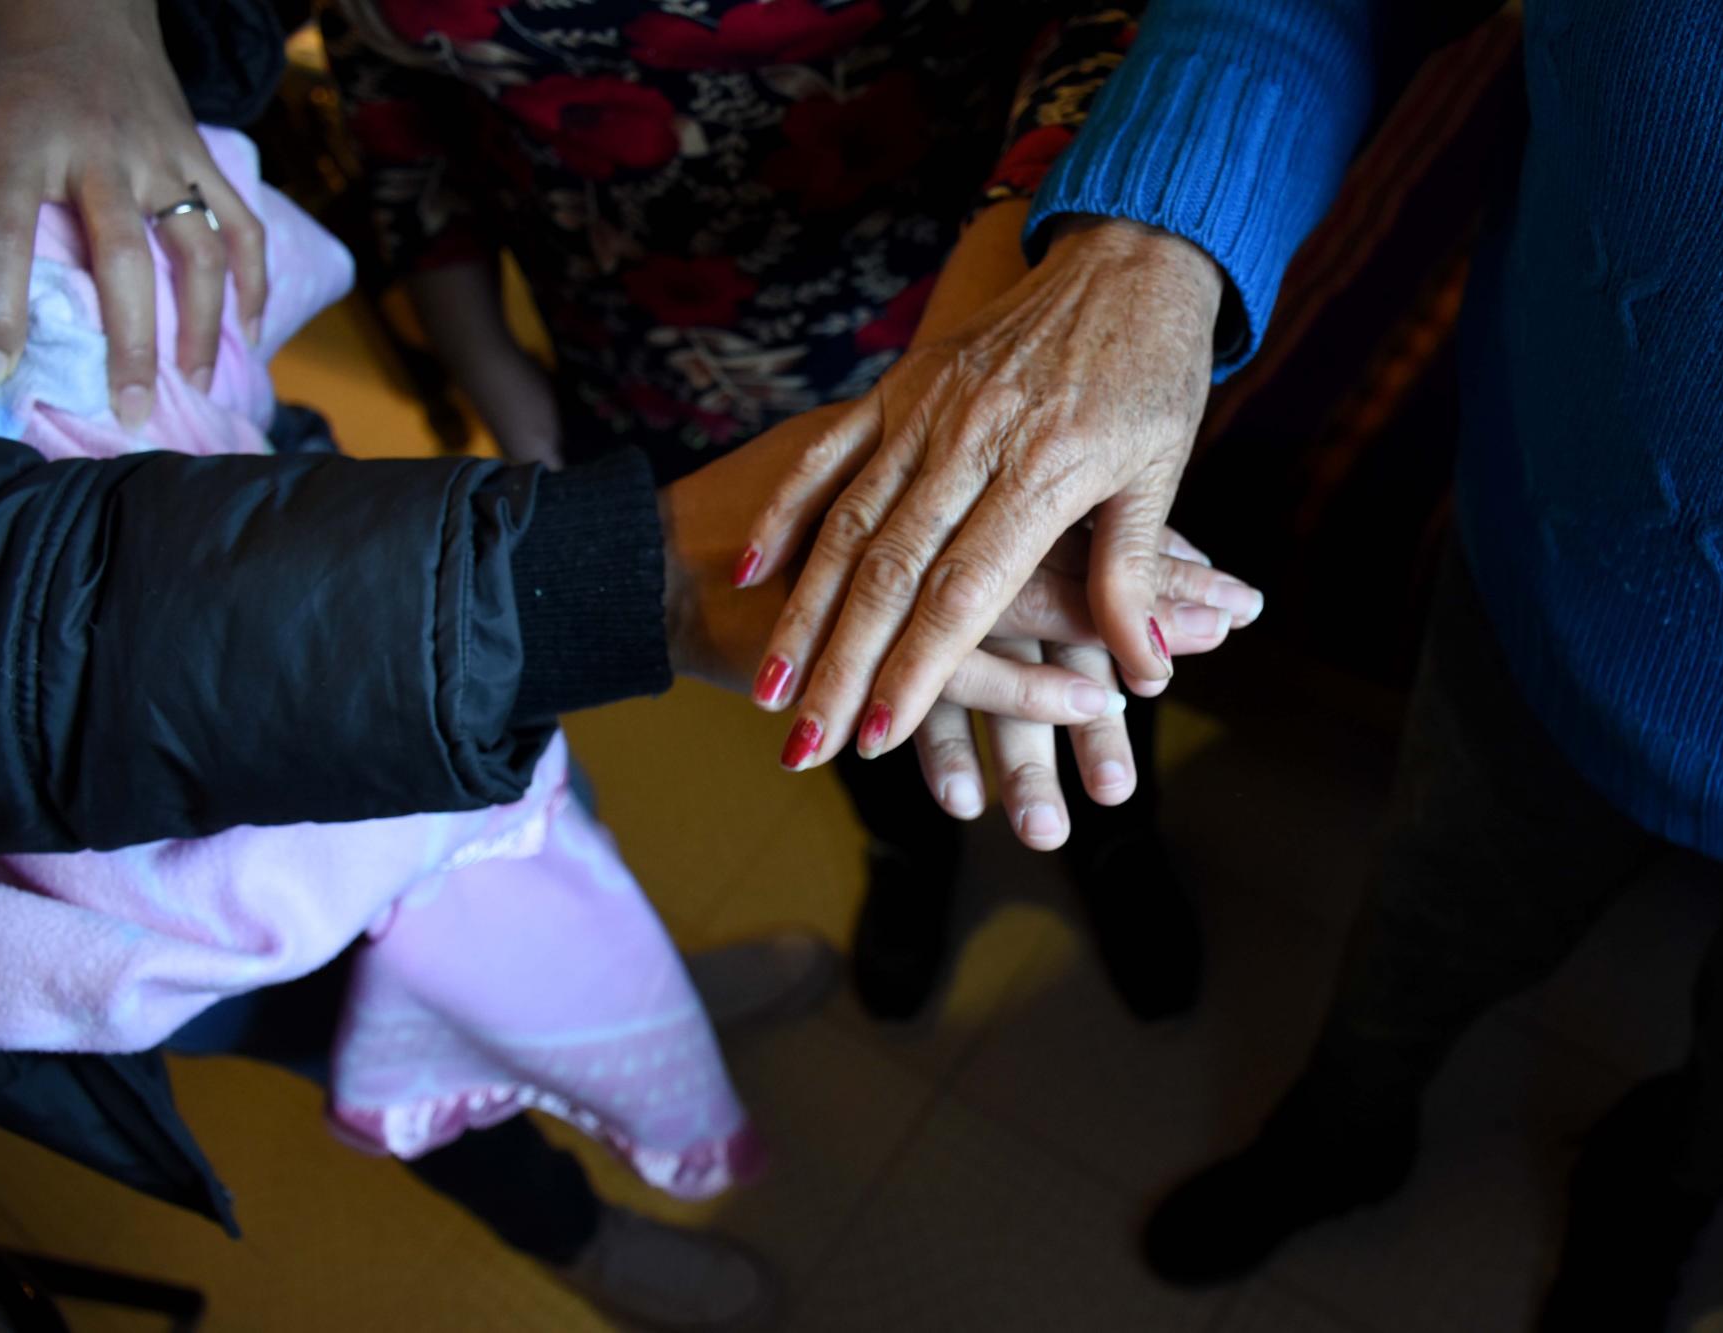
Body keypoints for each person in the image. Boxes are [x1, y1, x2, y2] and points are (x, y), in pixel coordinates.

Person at [744, 0, 1723, 1328]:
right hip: (1556, 575)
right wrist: (1153, 239)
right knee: (1423, 933)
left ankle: (1657, 1187)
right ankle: (1341, 1135)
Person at [317, 0, 1251, 1020]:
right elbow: (391, 101)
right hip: (648, 350)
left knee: (1077, 606)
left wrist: (1014, 324)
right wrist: (489, 363)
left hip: (983, 284)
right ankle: (907, 843)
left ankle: (1117, 835)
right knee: (815, 647)